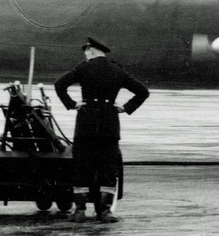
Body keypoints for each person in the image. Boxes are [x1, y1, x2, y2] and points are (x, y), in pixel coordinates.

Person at [54, 38, 149, 223]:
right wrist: (126, 108)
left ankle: (80, 211)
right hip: (109, 125)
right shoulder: (118, 70)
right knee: (107, 169)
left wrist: (72, 104)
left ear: (91, 51)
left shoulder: (83, 68)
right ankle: (105, 212)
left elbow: (59, 84)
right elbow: (143, 91)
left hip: (86, 125)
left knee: (82, 167)